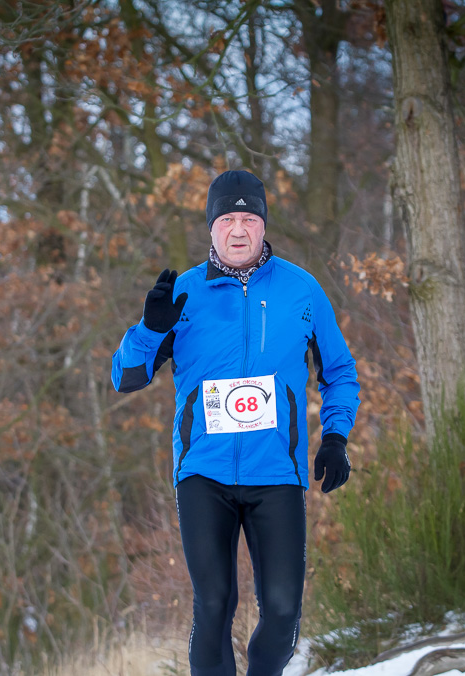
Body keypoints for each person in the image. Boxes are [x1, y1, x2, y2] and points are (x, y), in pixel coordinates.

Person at [111, 170, 360, 676]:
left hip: (277, 474)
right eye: (228, 219)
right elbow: (126, 378)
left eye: (249, 218)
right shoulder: (181, 295)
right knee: (214, 605)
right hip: (204, 472)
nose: (239, 229)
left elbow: (340, 372)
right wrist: (148, 329)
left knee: (285, 612)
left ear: (264, 225)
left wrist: (335, 436)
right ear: (211, 228)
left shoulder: (301, 290)